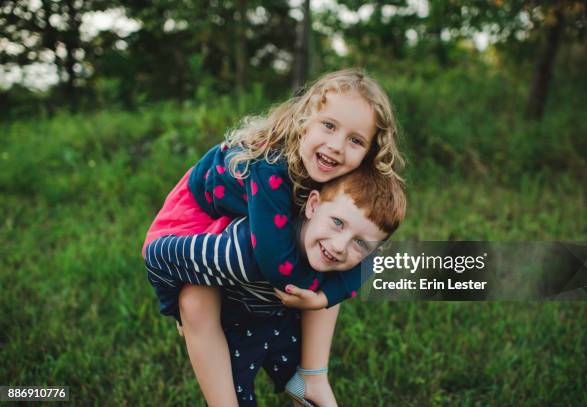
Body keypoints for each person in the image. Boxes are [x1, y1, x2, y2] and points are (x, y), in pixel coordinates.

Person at [142, 68, 405, 406]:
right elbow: (276, 264)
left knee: (335, 247)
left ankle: (313, 374)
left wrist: (325, 296)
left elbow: (374, 254)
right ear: (305, 119)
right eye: (328, 126)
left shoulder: (339, 173)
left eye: (355, 140)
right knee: (196, 301)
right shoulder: (272, 165)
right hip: (191, 220)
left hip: (243, 217)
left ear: (370, 153)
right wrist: (324, 295)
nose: (336, 146)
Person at [146, 167, 407, 405]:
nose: (339, 246)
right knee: (232, 394)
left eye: (360, 243)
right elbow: (158, 255)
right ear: (313, 206)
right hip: (233, 320)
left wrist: (322, 301)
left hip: (282, 316)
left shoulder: (335, 251)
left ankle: (309, 378)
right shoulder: (240, 251)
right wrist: (174, 311)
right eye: (337, 223)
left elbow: (365, 268)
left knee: (310, 395)